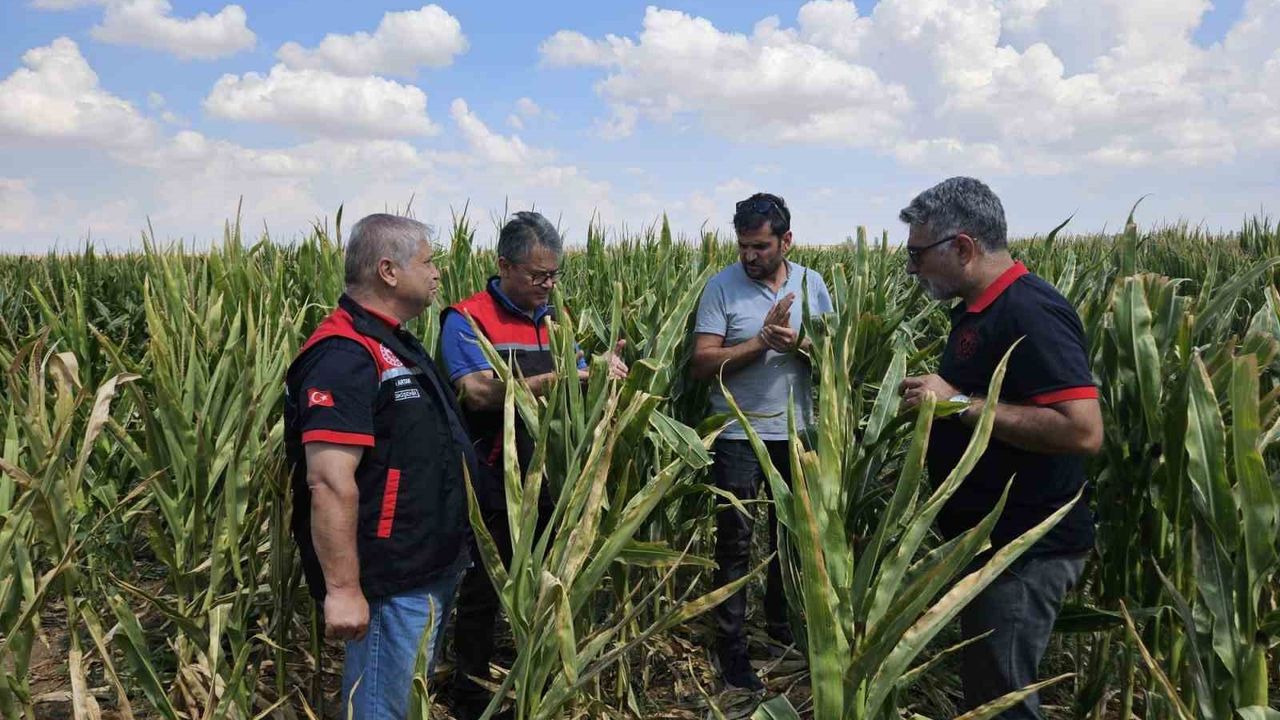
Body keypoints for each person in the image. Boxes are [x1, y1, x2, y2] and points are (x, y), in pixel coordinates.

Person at [897, 177, 1103, 719]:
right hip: (992, 544)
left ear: (961, 247)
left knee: (1002, 702)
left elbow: (1082, 430)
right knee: (992, 689)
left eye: (918, 254)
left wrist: (959, 403)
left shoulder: (1030, 311)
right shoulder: (979, 309)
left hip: (1023, 550)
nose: (912, 268)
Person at [284, 213, 476, 719]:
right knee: (380, 709)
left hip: (424, 567)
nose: (438, 273)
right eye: (429, 262)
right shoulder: (343, 354)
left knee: (403, 701)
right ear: (389, 271)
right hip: (388, 580)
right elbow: (328, 480)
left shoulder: (395, 342)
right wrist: (345, 591)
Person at [439, 211, 627, 719]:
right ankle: (470, 693)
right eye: (537, 275)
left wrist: (603, 370)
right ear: (504, 265)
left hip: (549, 475)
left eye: (554, 275)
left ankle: (531, 672)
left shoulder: (553, 319)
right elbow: (475, 392)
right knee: (485, 582)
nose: (547, 285)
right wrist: (563, 376)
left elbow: (579, 372)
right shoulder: (467, 318)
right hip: (492, 474)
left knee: (546, 577)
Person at [690, 192, 834, 691]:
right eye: (743, 246)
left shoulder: (813, 285)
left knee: (791, 539)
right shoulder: (721, 288)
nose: (749, 256)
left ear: (786, 240)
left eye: (760, 246)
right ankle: (731, 650)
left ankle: (779, 629)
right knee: (734, 541)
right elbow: (702, 363)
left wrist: (800, 343)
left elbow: (837, 358)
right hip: (736, 435)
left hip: (797, 433)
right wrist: (759, 343)